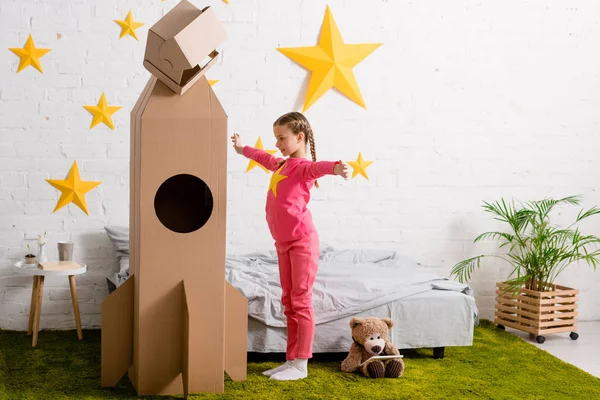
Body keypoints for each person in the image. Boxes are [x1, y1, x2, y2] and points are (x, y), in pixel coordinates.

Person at [231, 111, 350, 380]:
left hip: (302, 242)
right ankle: (291, 359)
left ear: (299, 137)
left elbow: (320, 168)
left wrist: (337, 168)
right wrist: (242, 149)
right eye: (276, 138)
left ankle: (301, 364)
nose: (278, 143)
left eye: (281, 138)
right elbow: (264, 157)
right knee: (288, 301)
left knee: (301, 300)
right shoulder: (282, 165)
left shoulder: (304, 167)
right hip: (283, 244)